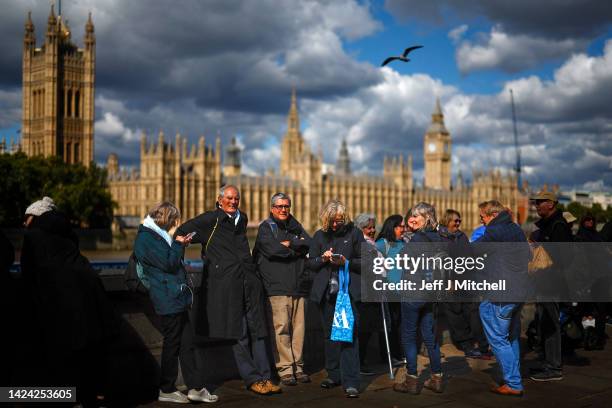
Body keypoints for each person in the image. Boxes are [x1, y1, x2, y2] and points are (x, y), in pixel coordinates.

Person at [176, 186, 280, 395]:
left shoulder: (242, 219)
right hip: (226, 286)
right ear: (220, 200)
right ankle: (252, 379)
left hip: (249, 283)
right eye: (229, 198)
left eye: (236, 199)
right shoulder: (210, 220)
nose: (233, 202)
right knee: (239, 332)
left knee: (258, 330)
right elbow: (180, 234)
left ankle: (266, 376)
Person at [20, 197, 119, 406]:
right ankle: (91, 398)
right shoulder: (67, 234)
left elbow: (28, 274)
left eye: (26, 217)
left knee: (60, 360)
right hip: (90, 296)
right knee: (88, 359)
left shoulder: (32, 237)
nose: (23, 222)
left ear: (34, 217)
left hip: (60, 302)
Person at [134, 201, 218, 404]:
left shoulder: (156, 235)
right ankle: (166, 388)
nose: (174, 223)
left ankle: (195, 387)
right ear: (163, 217)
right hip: (166, 296)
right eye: (172, 219)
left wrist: (179, 243)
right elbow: (169, 264)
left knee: (187, 343)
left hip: (175, 296)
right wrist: (179, 244)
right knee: (172, 345)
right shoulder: (145, 238)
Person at [307, 199, 365, 398]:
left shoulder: (354, 234)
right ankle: (333, 375)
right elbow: (311, 263)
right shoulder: (319, 236)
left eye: (339, 220)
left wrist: (346, 262)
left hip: (347, 293)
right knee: (329, 336)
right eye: (332, 220)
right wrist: (322, 259)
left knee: (348, 336)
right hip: (327, 294)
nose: (335, 224)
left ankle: (351, 381)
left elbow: (367, 260)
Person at [253, 193, 312, 386]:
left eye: (286, 206)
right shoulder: (265, 228)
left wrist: (291, 244)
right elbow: (272, 250)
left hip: (298, 287)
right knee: (281, 330)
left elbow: (309, 243)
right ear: (272, 208)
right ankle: (286, 368)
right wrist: (295, 250)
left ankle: (299, 366)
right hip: (276, 288)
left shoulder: (295, 226)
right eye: (279, 206)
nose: (283, 209)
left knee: (299, 331)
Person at [473, 200, 529, 397]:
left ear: (493, 215)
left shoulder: (494, 231)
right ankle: (514, 377)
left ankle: (513, 383)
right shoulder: (515, 229)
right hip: (518, 291)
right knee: (511, 335)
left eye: (483, 217)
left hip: (502, 293)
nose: (482, 222)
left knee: (497, 338)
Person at [393, 202, 445, 395]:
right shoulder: (437, 237)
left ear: (427, 218)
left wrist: (407, 239)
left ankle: (412, 380)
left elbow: (402, 260)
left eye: (417, 216)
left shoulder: (417, 239)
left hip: (413, 293)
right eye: (412, 215)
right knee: (430, 337)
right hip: (429, 293)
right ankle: (437, 378)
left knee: (408, 336)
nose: (412, 219)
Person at [529, 191, 573, 382]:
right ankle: (548, 362)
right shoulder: (548, 225)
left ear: (551, 204)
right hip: (544, 282)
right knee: (544, 325)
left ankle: (554, 367)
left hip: (552, 283)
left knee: (551, 326)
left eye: (540, 203)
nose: (536, 206)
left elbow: (566, 257)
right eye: (536, 203)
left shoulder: (558, 225)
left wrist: (542, 250)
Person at [440, 209, 491, 359]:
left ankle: (483, 345)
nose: (458, 223)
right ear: (446, 220)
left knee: (473, 312)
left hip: (467, 280)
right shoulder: (441, 238)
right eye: (455, 220)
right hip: (450, 282)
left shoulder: (461, 236)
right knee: (456, 315)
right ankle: (467, 345)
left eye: (459, 221)